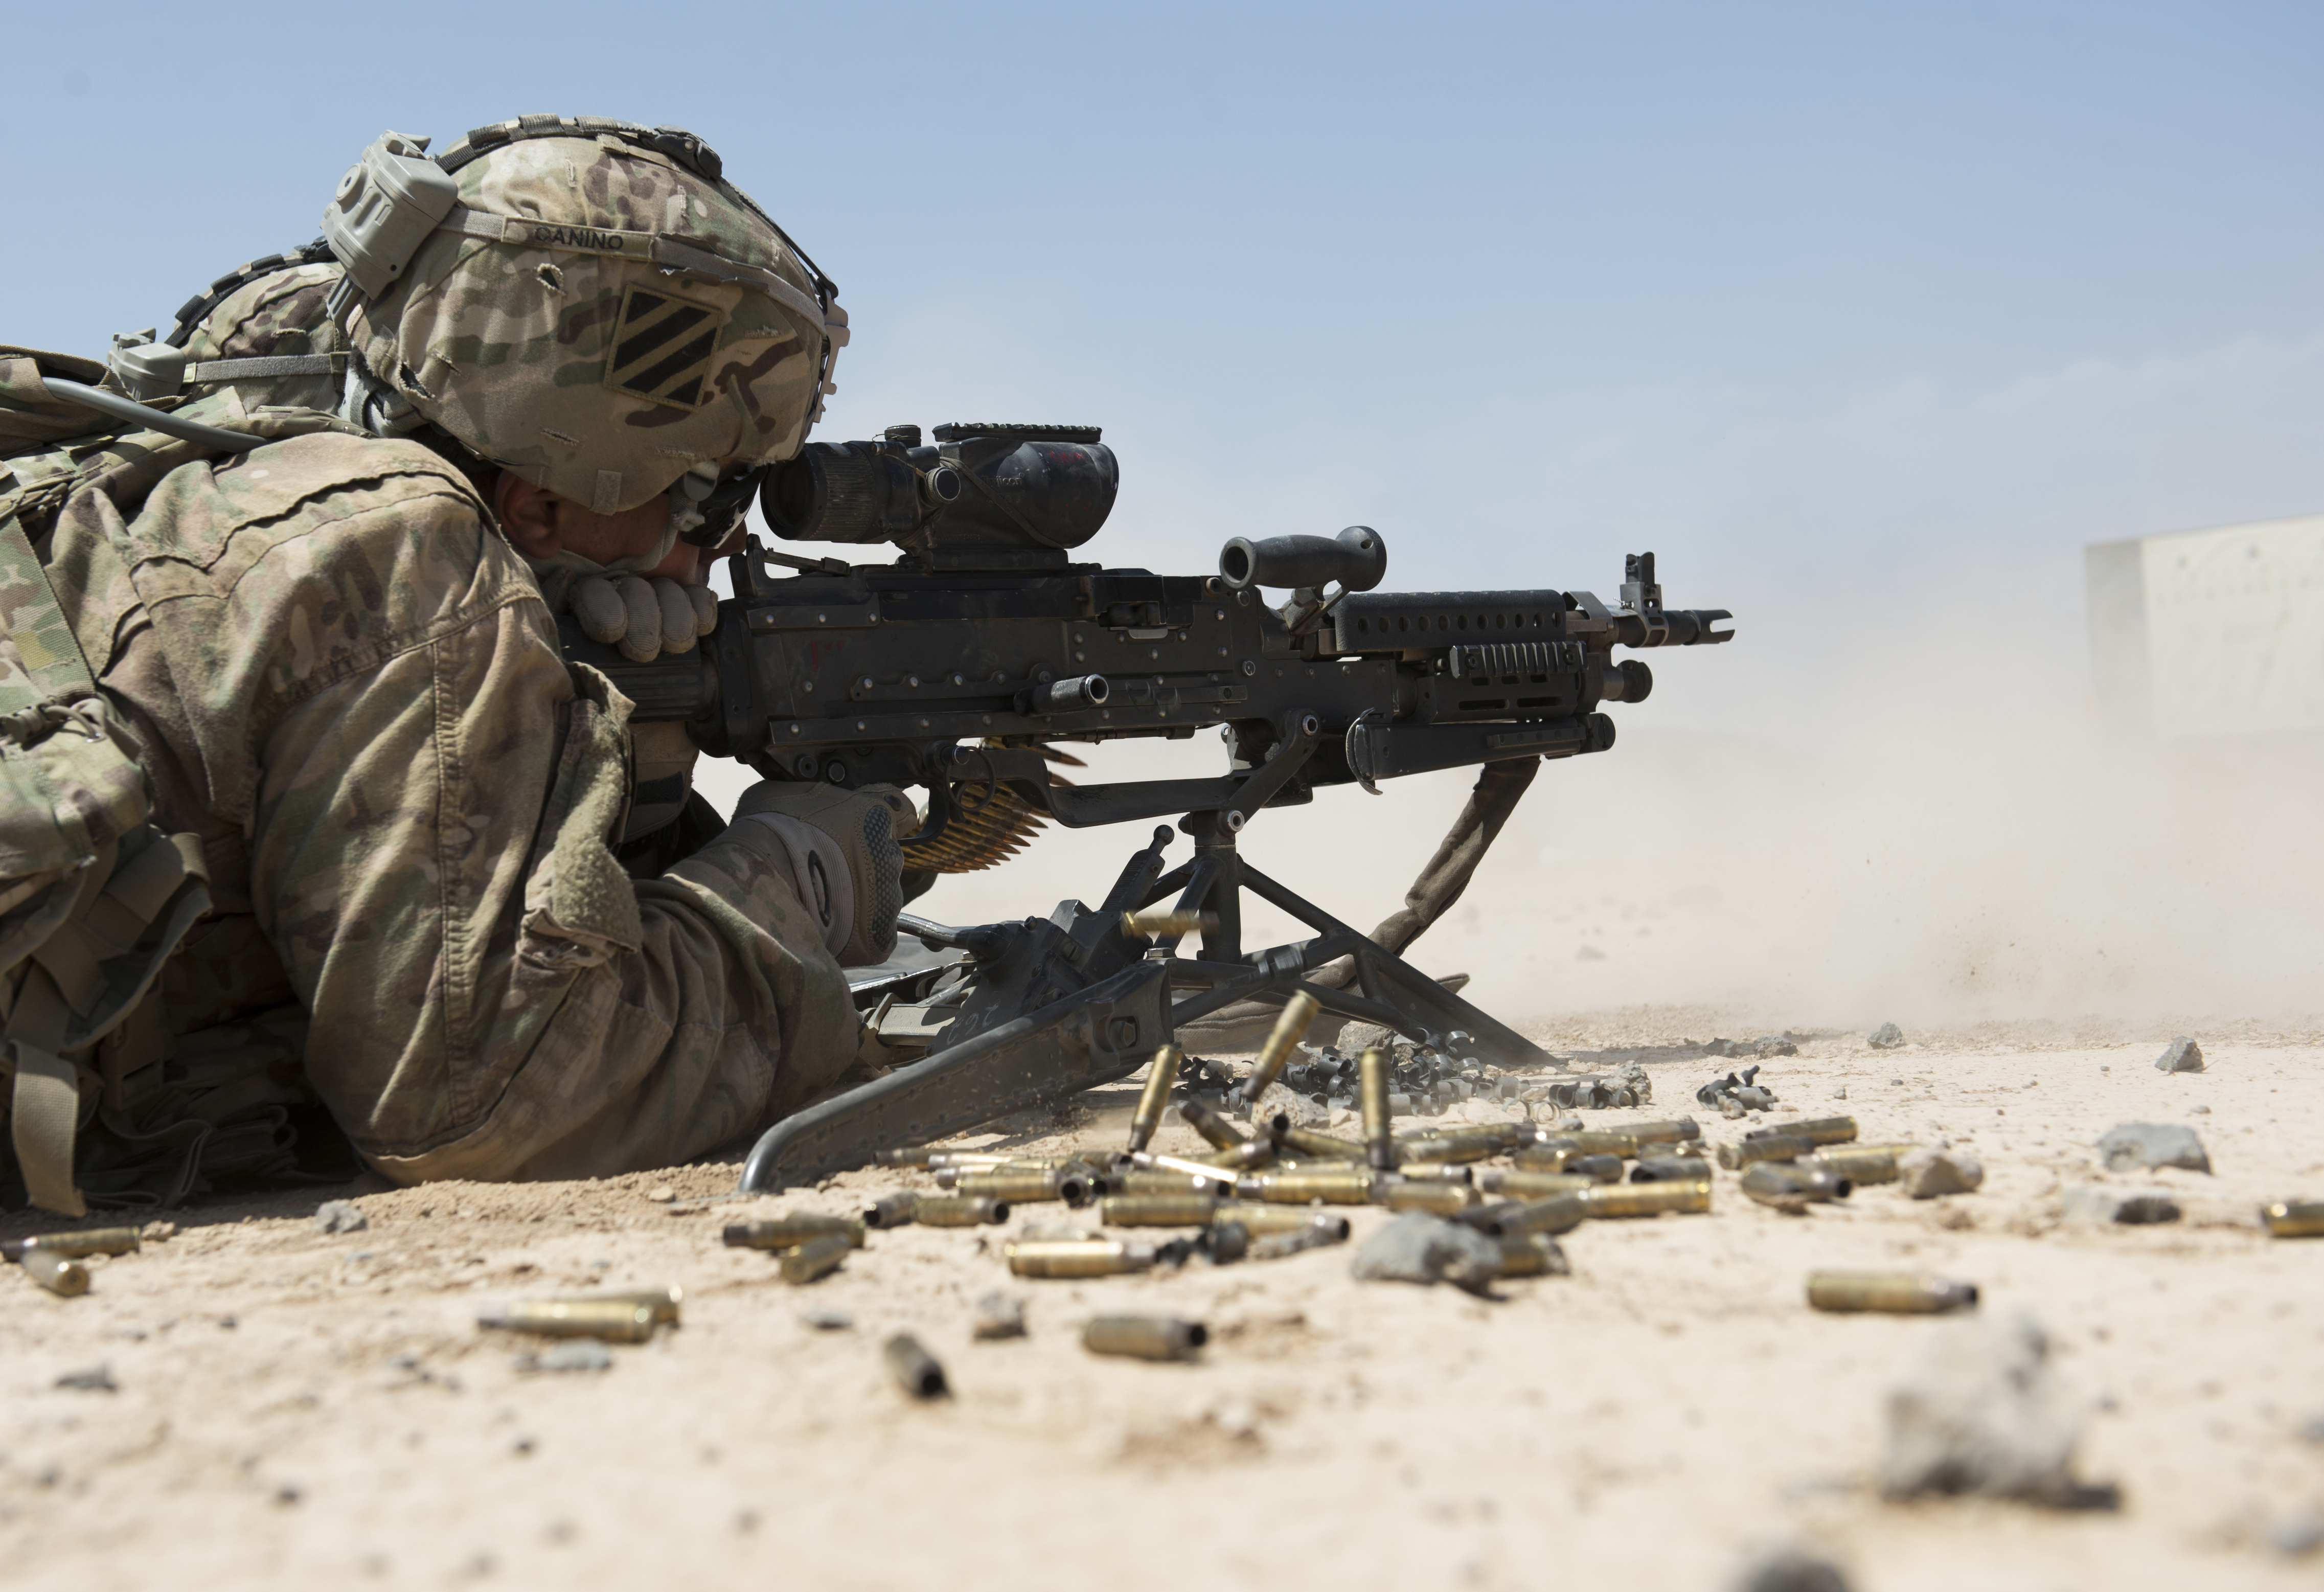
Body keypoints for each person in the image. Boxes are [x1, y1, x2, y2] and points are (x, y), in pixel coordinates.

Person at [16, 116, 900, 1198]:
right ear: (538, 502)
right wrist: (792, 882)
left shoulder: (214, 475)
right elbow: (482, 1108)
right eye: (713, 497)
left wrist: (599, 756)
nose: (724, 550)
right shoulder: (398, 543)